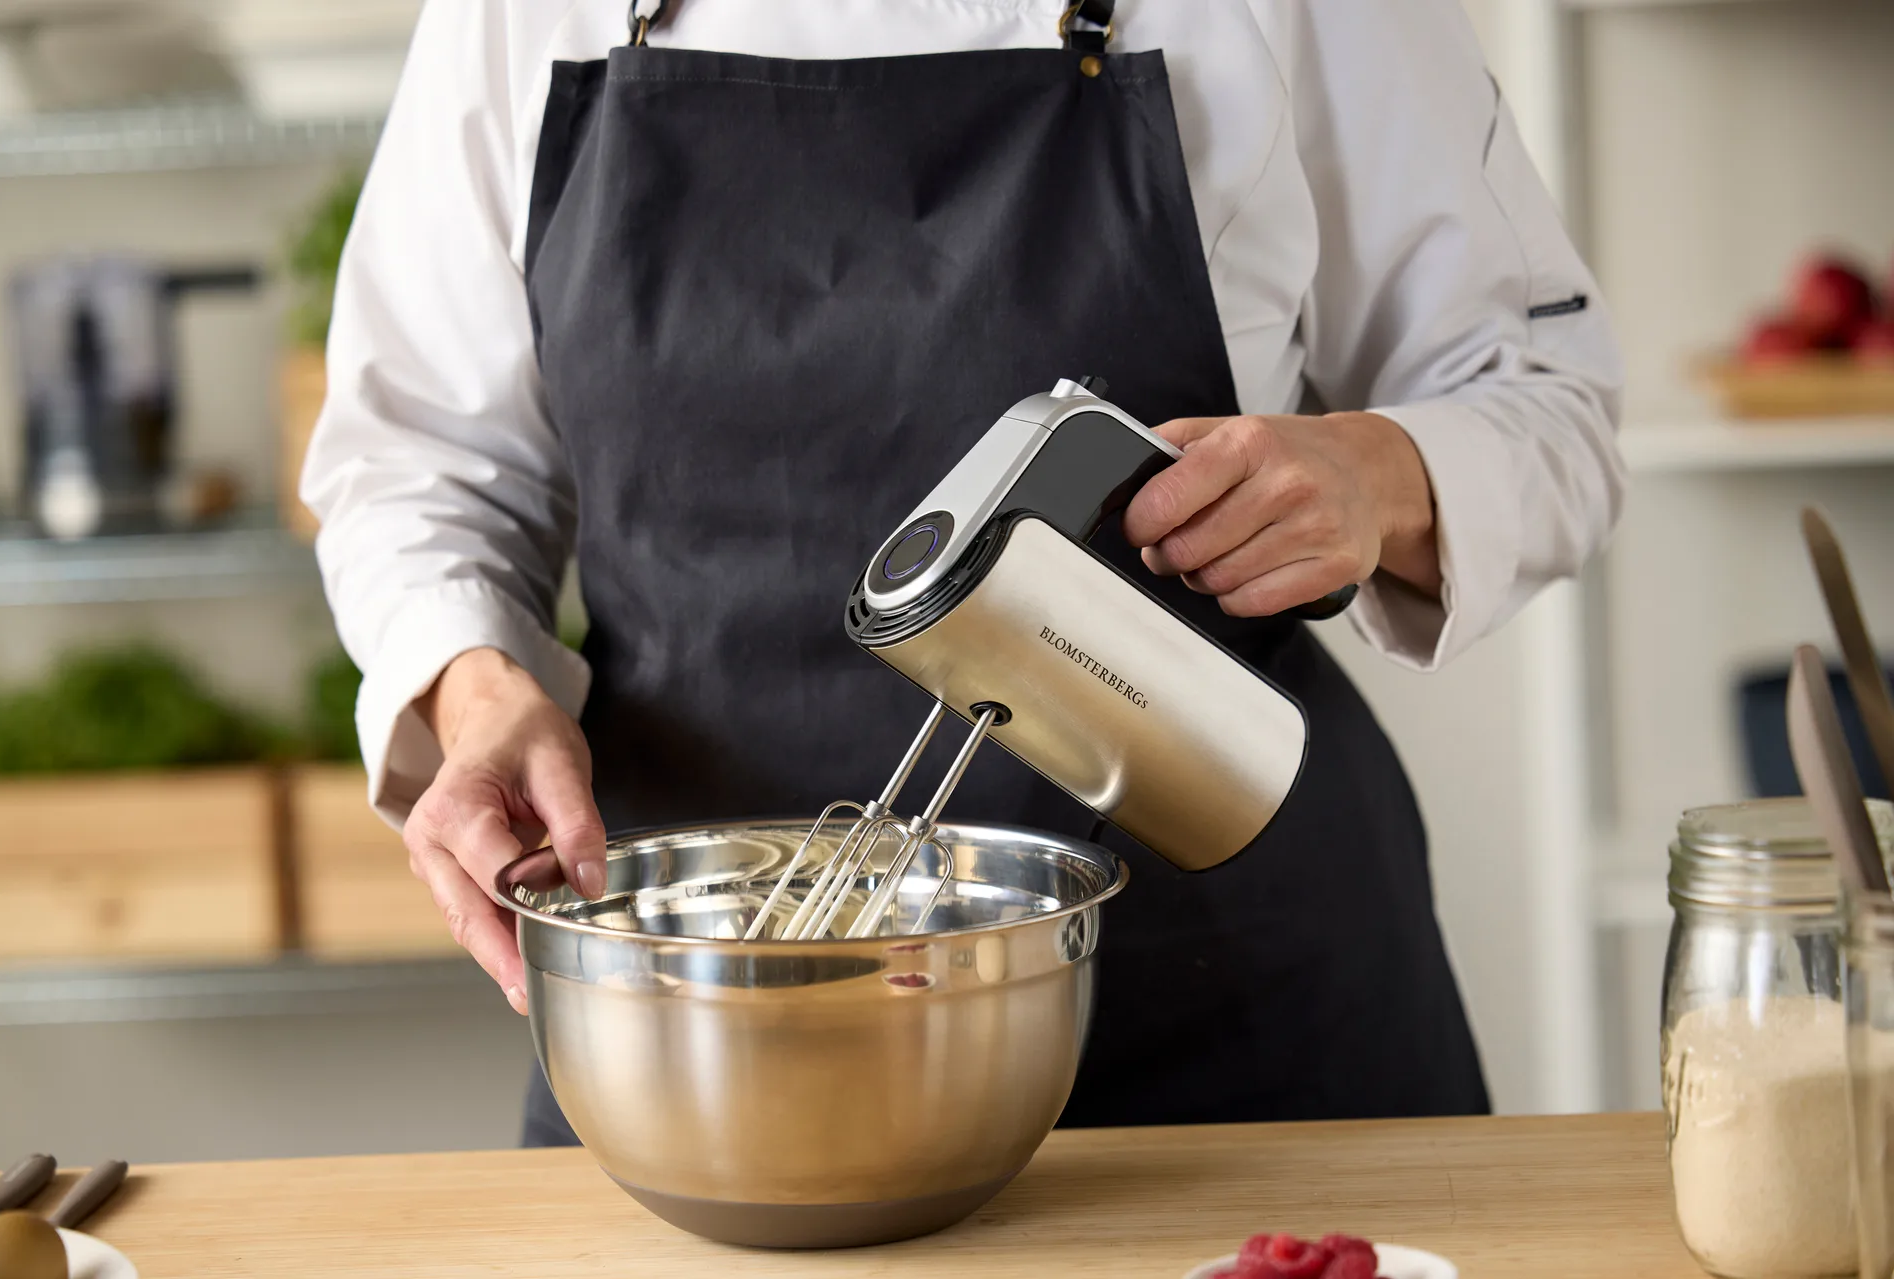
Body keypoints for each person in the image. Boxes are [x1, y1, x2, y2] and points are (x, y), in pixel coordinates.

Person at [303, 0, 1624, 1145]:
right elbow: (419, 461)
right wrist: (476, 691)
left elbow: (1546, 402)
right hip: (700, 1038)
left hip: (1224, 1020)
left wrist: (1374, 473)